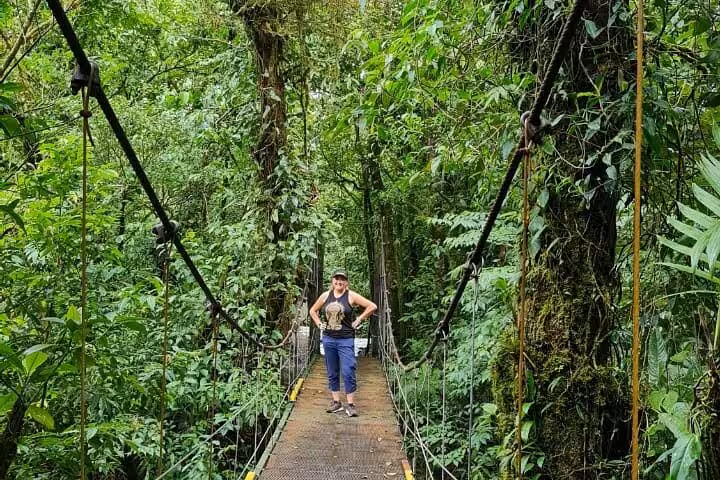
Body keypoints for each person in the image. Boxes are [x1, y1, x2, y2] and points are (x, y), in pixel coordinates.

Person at [309, 269, 377, 417]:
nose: (339, 281)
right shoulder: (325, 296)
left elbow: (372, 306)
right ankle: (336, 403)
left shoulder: (351, 296)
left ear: (346, 282)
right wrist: (319, 323)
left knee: (348, 370)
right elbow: (313, 311)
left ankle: (351, 405)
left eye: (342, 279)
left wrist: (359, 319)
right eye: (336, 279)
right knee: (332, 371)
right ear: (332, 280)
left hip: (346, 339)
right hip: (328, 339)